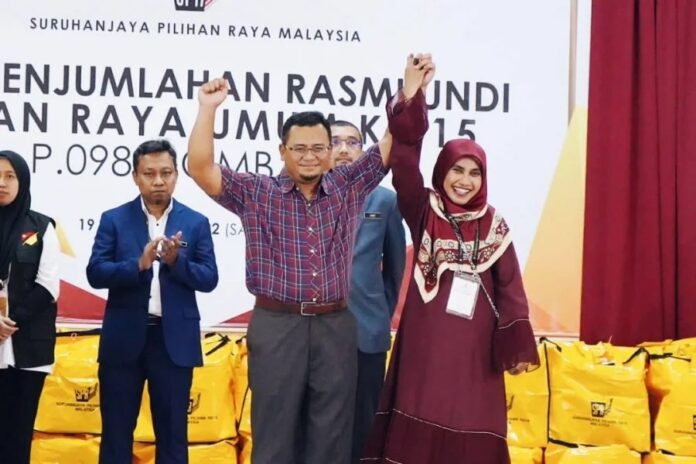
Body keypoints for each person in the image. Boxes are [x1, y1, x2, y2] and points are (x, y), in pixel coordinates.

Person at [187, 78, 392, 464]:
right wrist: (208, 108)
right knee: (275, 434)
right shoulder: (256, 192)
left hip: (336, 325)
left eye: (318, 148)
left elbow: (389, 144)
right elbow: (200, 168)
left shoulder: (348, 186)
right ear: (282, 151)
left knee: (332, 436)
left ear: (330, 152)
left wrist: (411, 92)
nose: (309, 156)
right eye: (299, 148)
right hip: (276, 325)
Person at [362, 55, 539, 463]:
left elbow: (510, 288)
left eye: (474, 173)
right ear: (442, 171)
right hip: (426, 347)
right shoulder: (424, 210)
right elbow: (404, 162)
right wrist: (413, 93)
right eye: (456, 170)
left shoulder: (494, 224)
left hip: (476, 351)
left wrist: (514, 344)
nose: (464, 181)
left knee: (472, 422)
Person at [86, 139, 218, 464]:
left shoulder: (196, 222)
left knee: (173, 438)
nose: (158, 180)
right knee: (116, 435)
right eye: (149, 173)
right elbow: (95, 273)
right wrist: (138, 265)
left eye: (166, 173)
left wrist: (176, 262)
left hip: (174, 343)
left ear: (176, 175)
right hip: (123, 340)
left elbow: (209, 278)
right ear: (136, 177)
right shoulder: (113, 219)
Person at [330, 120, 406, 464]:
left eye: (353, 142)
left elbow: (395, 268)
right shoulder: (309, 197)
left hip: (368, 330)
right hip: (320, 333)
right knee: (325, 422)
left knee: (365, 423)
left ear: (365, 152)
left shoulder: (385, 200)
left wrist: (381, 314)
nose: (344, 149)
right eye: (335, 142)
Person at [0, 150, 60, 464]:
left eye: (10, 176)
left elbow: (48, 286)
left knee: (18, 434)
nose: (2, 183)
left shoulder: (41, 226)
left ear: (22, 181)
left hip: (27, 348)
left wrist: (8, 321)